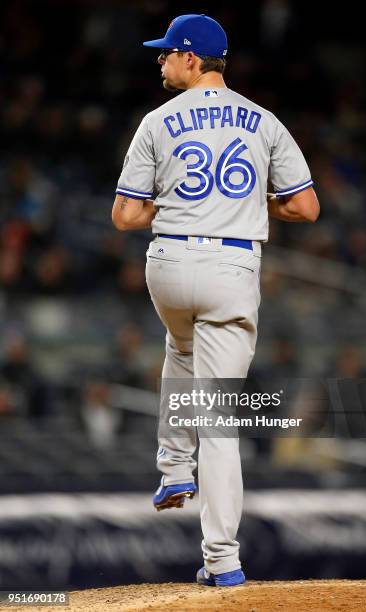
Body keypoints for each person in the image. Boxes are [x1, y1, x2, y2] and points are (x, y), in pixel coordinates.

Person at [112, 13, 319, 587]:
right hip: (231, 265)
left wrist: (170, 205)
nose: (160, 60)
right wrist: (255, 206)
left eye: (166, 53)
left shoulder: (157, 121)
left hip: (170, 265)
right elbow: (306, 208)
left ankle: (174, 467)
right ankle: (222, 560)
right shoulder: (263, 121)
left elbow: (126, 216)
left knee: (180, 347)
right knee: (219, 417)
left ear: (191, 58)